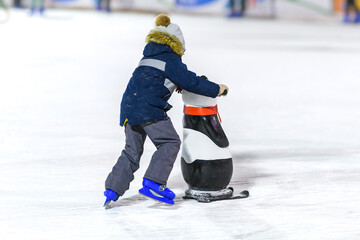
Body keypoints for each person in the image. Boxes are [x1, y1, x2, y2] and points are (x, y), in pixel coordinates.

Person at [103, 13, 229, 206]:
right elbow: (191, 81)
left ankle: (112, 189)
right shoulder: (170, 59)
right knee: (169, 142)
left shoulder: (149, 55)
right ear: (177, 45)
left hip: (129, 108)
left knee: (131, 152)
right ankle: (154, 181)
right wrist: (216, 89)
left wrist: (172, 82)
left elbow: (154, 80)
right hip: (148, 110)